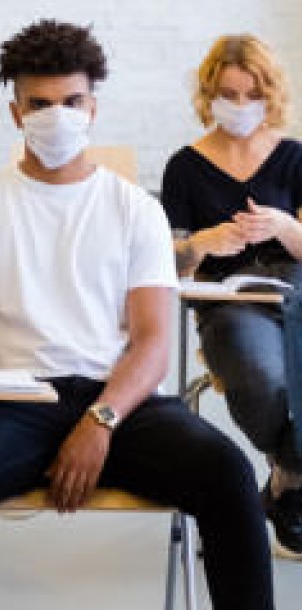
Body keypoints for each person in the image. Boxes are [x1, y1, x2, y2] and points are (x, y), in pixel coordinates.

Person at [0, 20, 275, 610]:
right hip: (14, 398)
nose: (57, 116)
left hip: (123, 400)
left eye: (72, 102)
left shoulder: (135, 209)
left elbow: (155, 342)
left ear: (93, 107)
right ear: (15, 112)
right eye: (40, 104)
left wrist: (100, 420)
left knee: (229, 473)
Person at [162, 34, 302, 559]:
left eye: (251, 95)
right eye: (228, 94)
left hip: (295, 291)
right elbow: (165, 267)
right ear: (208, 95)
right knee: (261, 378)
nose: (240, 107)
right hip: (228, 300)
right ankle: (290, 476)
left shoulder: (293, 159)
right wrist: (203, 242)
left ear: (271, 96)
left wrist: (286, 228)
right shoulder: (185, 167)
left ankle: (287, 484)